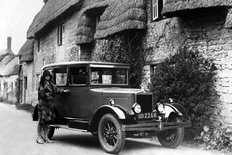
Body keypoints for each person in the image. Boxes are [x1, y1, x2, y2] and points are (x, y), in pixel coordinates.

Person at [36, 70, 70, 144]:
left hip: (49, 105)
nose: (48, 77)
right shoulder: (41, 84)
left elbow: (56, 90)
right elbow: (42, 94)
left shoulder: (51, 83)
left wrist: (63, 91)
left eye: (49, 76)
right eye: (46, 76)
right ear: (44, 76)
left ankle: (45, 137)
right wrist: (51, 95)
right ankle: (39, 137)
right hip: (43, 105)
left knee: (47, 122)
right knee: (41, 122)